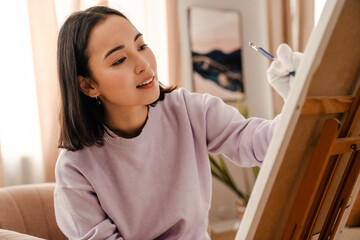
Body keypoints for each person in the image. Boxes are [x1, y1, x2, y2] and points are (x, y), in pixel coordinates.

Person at [54, 6, 302, 240]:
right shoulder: (75, 167)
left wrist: (297, 101)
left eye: (141, 46)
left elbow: (257, 143)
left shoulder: (188, 110)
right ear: (88, 85)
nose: (143, 63)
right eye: (119, 60)